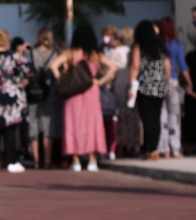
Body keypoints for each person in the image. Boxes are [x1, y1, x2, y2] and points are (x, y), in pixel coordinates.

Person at [49, 24, 117, 171]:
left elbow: (53, 66)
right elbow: (113, 67)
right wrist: (100, 81)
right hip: (91, 91)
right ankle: (92, 160)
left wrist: (61, 79)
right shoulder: (95, 54)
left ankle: (76, 160)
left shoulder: (70, 53)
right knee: (92, 124)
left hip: (72, 92)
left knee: (73, 124)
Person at [0, 29, 30, 173]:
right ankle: (11, 161)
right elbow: (29, 69)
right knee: (10, 130)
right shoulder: (14, 57)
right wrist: (23, 83)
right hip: (11, 95)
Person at [128, 20, 171, 161]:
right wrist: (166, 82)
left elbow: (135, 66)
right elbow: (167, 66)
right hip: (159, 84)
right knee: (156, 117)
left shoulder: (139, 46)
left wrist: (130, 85)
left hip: (145, 85)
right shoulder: (160, 46)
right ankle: (154, 148)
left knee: (147, 118)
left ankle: (152, 149)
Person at [28, 29, 60, 169]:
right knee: (47, 127)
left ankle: (36, 160)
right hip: (49, 92)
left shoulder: (31, 54)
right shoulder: (54, 55)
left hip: (33, 93)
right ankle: (47, 160)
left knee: (33, 125)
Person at [158, 18, 189, 158]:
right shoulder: (176, 44)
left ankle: (164, 149)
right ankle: (175, 148)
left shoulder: (158, 44)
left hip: (158, 81)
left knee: (162, 115)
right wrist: (189, 81)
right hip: (173, 81)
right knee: (174, 116)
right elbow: (182, 65)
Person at [112, 27, 141, 157]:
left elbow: (112, 68)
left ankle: (121, 147)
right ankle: (135, 145)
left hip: (119, 83)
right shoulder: (130, 50)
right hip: (131, 82)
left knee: (120, 117)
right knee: (133, 116)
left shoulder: (116, 52)